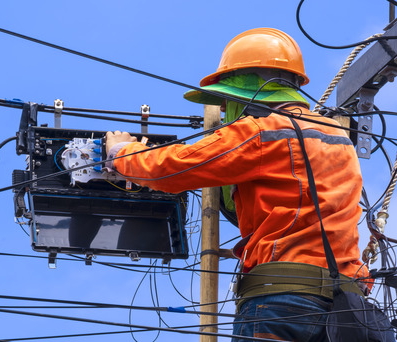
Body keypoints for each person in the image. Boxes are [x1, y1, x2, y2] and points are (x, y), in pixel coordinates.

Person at [105, 28, 370, 341]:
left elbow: (176, 165)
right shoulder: (338, 137)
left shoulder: (260, 131)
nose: (221, 112)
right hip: (348, 311)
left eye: (224, 102)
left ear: (246, 92)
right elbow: (304, 209)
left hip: (281, 302)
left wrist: (121, 154)